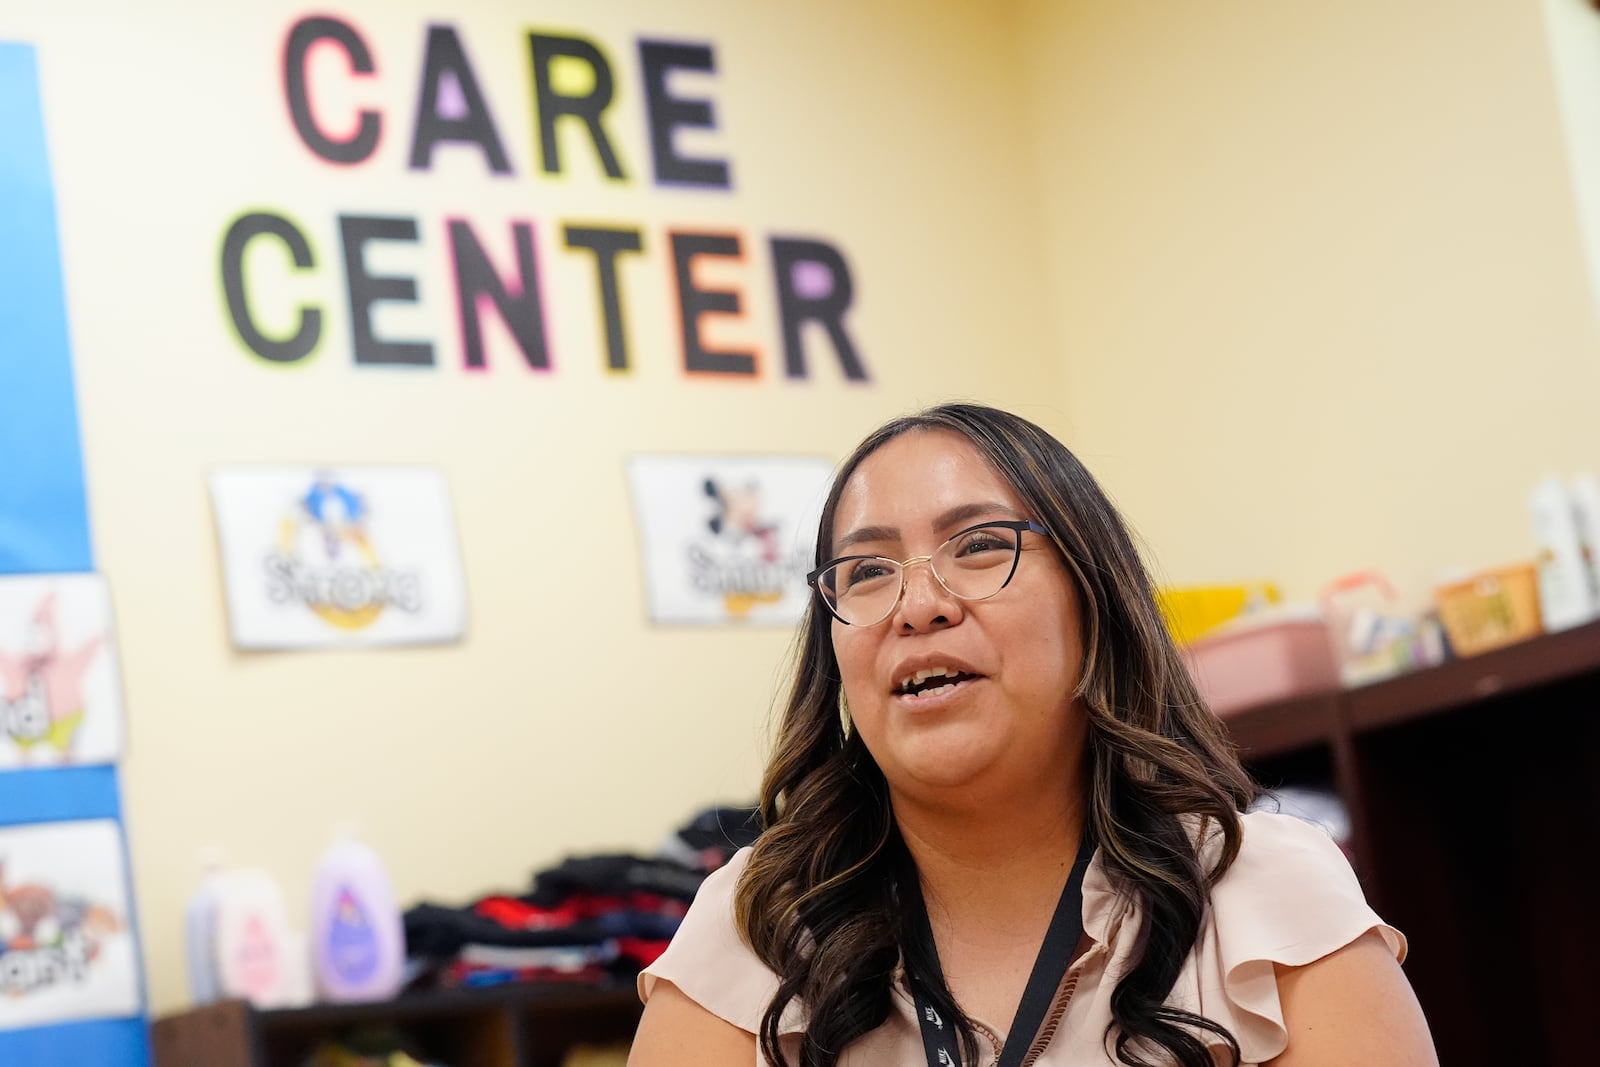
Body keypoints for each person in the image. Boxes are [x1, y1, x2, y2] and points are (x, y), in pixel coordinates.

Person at [628, 403, 1437, 1067]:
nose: (919, 604)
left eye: (980, 546)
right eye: (867, 570)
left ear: (1093, 603)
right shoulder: (758, 925)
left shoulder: (1261, 893)